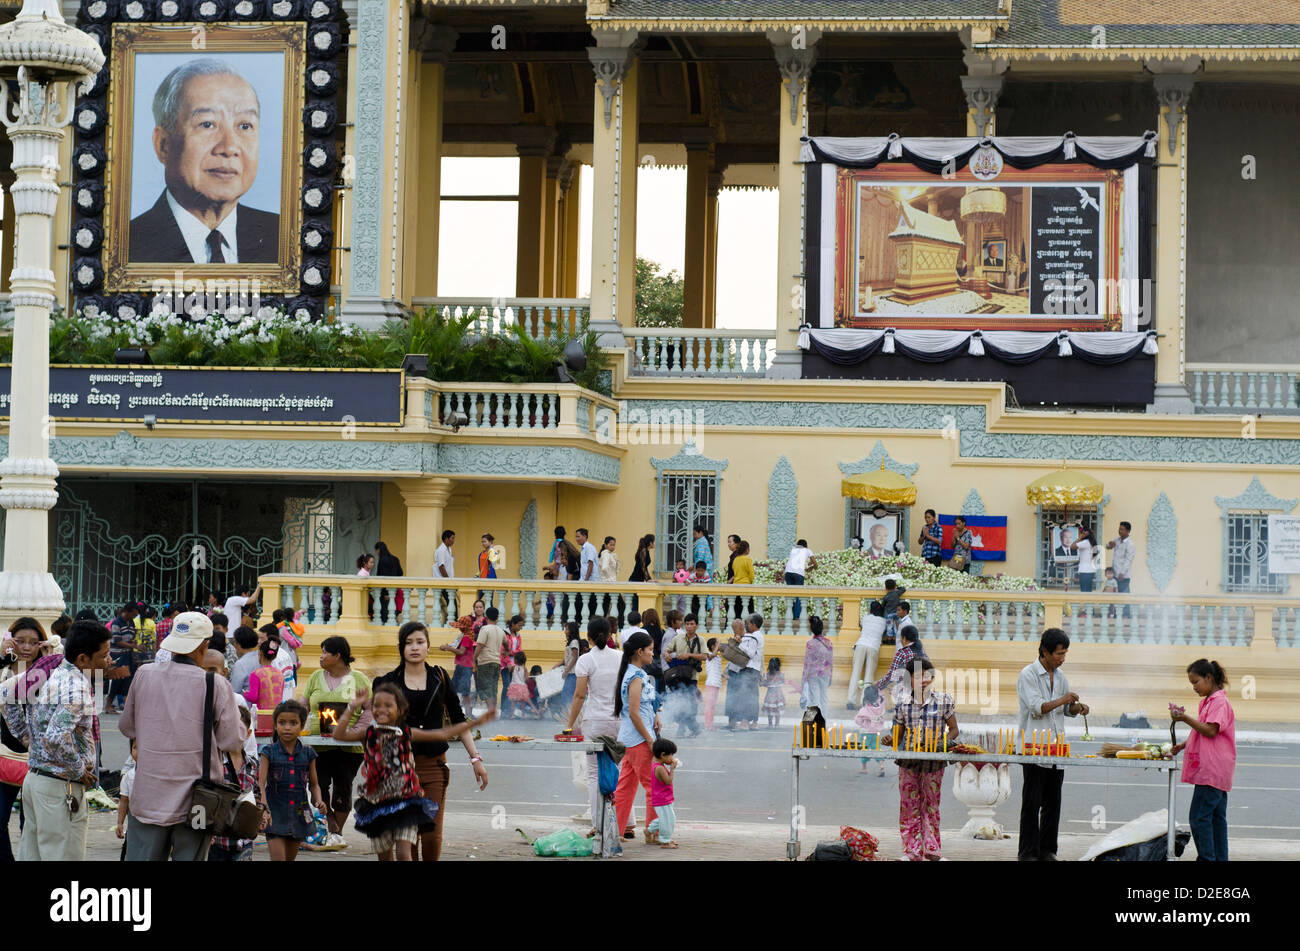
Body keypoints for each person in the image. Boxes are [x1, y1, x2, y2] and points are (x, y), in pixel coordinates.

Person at [119, 611, 244, 860]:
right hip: (198, 800)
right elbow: (232, 740)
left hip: (149, 795)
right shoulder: (216, 684)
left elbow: (127, 728)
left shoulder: (144, 674)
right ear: (204, 646)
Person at [130, 59, 279, 263]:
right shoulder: (127, 248)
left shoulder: (283, 239)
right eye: (207, 124)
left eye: (245, 126)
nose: (229, 148)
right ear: (163, 144)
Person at [333, 682, 494, 861]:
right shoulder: (368, 734)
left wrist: (476, 722)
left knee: (404, 854)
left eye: (388, 705)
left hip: (406, 802)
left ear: (400, 710)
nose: (381, 710)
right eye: (376, 705)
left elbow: (442, 734)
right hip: (376, 803)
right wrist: (352, 707)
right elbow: (339, 735)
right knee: (385, 856)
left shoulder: (406, 733)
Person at [374, 621, 490, 861]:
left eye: (420, 642)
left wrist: (476, 758)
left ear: (428, 646)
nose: (414, 648)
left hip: (434, 766)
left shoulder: (439, 677)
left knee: (431, 832)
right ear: (400, 648)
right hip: (399, 768)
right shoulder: (387, 682)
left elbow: (459, 721)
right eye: (408, 643)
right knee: (408, 833)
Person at [1, 620, 110, 861]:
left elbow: (5, 694)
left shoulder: (52, 671)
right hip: (60, 788)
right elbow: (56, 737)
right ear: (83, 659)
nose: (108, 660)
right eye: (103, 655)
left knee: (32, 855)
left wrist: (28, 739)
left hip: (37, 780)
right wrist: (79, 770)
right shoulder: (76, 687)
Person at [1016, 628, 1089, 861]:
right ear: (1045, 652)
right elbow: (1038, 707)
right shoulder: (1028, 674)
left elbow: (1067, 710)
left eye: (1065, 653)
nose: (1062, 658)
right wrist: (1065, 699)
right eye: (1059, 654)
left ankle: (1048, 850)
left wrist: (1078, 708)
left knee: (1052, 804)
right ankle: (1027, 853)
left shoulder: (1060, 676)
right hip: (1034, 748)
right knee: (1031, 803)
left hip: (1057, 748)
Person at [883, 656, 958, 860]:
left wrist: (943, 743)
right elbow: (898, 734)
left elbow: (954, 730)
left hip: (934, 763)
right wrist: (891, 739)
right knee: (909, 806)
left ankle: (932, 850)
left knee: (931, 805)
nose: (923, 679)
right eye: (917, 676)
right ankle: (912, 851)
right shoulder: (902, 704)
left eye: (926, 675)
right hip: (908, 762)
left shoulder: (944, 701)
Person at [0, 618, 60, 863]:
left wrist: (49, 660)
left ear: (41, 644)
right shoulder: (3, 669)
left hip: (37, 759)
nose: (26, 647)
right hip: (4, 755)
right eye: (21, 641)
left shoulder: (48, 672)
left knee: (32, 825)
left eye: (33, 642)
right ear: (10, 641)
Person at [300, 635, 370, 843]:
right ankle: (328, 820)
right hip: (317, 746)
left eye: (324, 653)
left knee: (343, 787)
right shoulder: (315, 677)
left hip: (349, 747)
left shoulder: (359, 679)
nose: (320, 657)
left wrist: (358, 730)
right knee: (317, 785)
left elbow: (369, 710)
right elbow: (303, 703)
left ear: (338, 655)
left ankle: (336, 835)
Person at [562, 617, 624, 838]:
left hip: (594, 721)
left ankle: (599, 824)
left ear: (588, 636)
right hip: (617, 720)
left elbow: (579, 695)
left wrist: (570, 725)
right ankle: (627, 822)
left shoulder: (586, 660)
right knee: (619, 770)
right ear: (610, 636)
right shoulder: (621, 657)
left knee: (593, 773)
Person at [1170, 659, 1236, 862]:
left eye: (1196, 682)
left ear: (1209, 677)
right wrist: (1183, 745)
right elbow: (1201, 730)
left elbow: (1210, 730)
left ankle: (1208, 858)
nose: (1194, 687)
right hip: (1215, 769)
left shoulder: (1219, 702)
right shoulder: (1210, 702)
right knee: (1216, 819)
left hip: (1212, 770)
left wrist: (1184, 718)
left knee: (1199, 818)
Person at [257, 700, 325, 862]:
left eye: (293, 723)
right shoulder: (268, 752)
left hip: (299, 814)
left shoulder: (309, 753)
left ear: (302, 726)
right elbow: (260, 783)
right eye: (282, 722)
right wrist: (264, 808)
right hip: (274, 813)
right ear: (275, 725)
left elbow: (314, 785)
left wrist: (319, 800)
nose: (287, 727)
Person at [612, 631, 661, 844]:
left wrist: (656, 715)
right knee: (654, 787)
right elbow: (633, 712)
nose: (653, 653)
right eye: (650, 650)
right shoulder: (635, 676)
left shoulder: (634, 673)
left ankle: (616, 830)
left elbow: (641, 707)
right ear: (639, 652)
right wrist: (650, 740)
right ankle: (653, 831)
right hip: (639, 740)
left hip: (630, 739)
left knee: (625, 788)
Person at [207, 706, 261, 861]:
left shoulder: (252, 765)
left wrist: (261, 814)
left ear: (248, 734)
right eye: (228, 729)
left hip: (243, 841)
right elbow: (207, 799)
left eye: (239, 730)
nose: (233, 735)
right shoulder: (214, 764)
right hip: (216, 841)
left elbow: (256, 794)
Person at [662, 612, 707, 736]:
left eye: (692, 624)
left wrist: (689, 655)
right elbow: (667, 650)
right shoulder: (678, 638)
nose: (689, 626)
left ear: (697, 626)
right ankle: (686, 728)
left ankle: (692, 728)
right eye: (687, 624)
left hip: (692, 677)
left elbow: (704, 656)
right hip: (679, 675)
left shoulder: (700, 640)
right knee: (680, 702)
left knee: (690, 703)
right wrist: (666, 655)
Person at [725, 613, 764, 730]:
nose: (746, 626)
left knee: (748, 696)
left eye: (747, 623)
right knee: (743, 695)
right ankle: (740, 721)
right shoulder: (751, 635)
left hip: (750, 669)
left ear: (753, 624)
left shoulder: (755, 637)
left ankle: (746, 722)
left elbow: (750, 654)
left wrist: (741, 643)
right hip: (745, 669)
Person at [441, 609, 480, 712]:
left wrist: (448, 648)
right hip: (462, 666)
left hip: (465, 667)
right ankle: (456, 711)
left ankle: (467, 713)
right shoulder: (463, 636)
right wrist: (448, 646)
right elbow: (457, 647)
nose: (458, 629)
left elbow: (461, 652)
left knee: (464, 691)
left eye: (460, 627)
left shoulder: (466, 637)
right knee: (454, 689)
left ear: (464, 627)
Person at [849, 601, 886, 709]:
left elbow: (862, 625)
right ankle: (864, 702)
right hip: (873, 647)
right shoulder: (883, 622)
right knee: (869, 676)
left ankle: (851, 700)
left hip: (860, 645)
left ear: (870, 610)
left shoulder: (865, 618)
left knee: (856, 673)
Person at [646, 738, 679, 849]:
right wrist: (672, 769)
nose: (672, 758)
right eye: (671, 755)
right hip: (662, 799)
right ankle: (665, 841)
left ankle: (649, 830)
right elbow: (668, 781)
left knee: (665, 818)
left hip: (665, 798)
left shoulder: (656, 764)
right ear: (663, 755)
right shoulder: (660, 768)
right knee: (667, 820)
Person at [875, 623, 924, 697]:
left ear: (904, 639)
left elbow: (891, 675)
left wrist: (878, 685)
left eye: (900, 637)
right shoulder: (922, 652)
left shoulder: (902, 653)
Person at [474, 607, 506, 712]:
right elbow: (507, 644)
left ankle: (491, 712)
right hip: (497, 662)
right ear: (497, 617)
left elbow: (480, 646)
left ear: (486, 617)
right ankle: (492, 711)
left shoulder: (485, 629)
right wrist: (506, 652)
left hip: (485, 662)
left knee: (485, 687)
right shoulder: (501, 631)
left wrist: (473, 658)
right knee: (493, 688)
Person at [243, 633, 286, 708]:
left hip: (262, 714)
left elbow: (253, 697)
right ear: (275, 656)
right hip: (276, 713)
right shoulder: (280, 674)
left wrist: (246, 694)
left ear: (260, 653)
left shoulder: (256, 674)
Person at [801, 616, 834, 713]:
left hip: (813, 675)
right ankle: (824, 720)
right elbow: (831, 661)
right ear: (822, 628)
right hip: (825, 674)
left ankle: (814, 722)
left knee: (813, 699)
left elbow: (807, 663)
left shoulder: (810, 643)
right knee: (824, 698)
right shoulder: (829, 643)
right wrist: (831, 676)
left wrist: (804, 679)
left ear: (811, 629)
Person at [854, 684, 888, 777]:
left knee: (864, 749)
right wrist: (878, 687)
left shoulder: (865, 709)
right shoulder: (880, 705)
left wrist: (863, 724)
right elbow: (882, 695)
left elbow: (858, 720)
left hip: (866, 733)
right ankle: (881, 766)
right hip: (877, 733)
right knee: (877, 749)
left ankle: (864, 768)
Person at [114, 740, 137, 855]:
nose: (138, 752)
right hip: (134, 825)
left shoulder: (158, 775)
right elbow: (124, 802)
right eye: (135, 748)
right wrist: (120, 823)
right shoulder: (129, 776)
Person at [499, 615, 524, 717]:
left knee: (513, 687)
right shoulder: (504, 634)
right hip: (505, 665)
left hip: (514, 664)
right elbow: (503, 651)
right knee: (506, 686)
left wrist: (516, 660)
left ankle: (510, 710)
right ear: (513, 624)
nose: (520, 628)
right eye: (519, 625)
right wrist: (508, 662)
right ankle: (503, 709)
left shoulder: (518, 636)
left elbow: (519, 650)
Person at [1107, 521, 1135, 610]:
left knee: (1124, 596)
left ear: (1128, 531)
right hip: (1114, 573)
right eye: (1119, 529)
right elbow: (1108, 546)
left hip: (1123, 575)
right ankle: (1114, 614)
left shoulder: (1130, 544)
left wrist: (1122, 572)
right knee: (1114, 595)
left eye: (1122, 529)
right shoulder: (1117, 540)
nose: (1120, 531)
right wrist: (1109, 544)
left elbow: (1128, 560)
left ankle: (1126, 615)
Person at [374, 540, 405, 623]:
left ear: (378, 550)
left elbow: (380, 577)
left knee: (385, 612)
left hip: (385, 591)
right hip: (395, 589)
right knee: (393, 610)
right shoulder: (395, 559)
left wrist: (385, 593)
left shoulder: (382, 561)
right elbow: (400, 573)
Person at [785, 538, 813, 620]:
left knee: (790, 595)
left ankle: (790, 615)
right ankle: (796, 616)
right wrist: (812, 567)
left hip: (788, 573)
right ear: (806, 545)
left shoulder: (793, 550)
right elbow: (814, 562)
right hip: (798, 574)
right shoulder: (807, 550)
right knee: (798, 595)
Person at [558, 621, 581, 715]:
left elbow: (575, 657)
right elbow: (568, 658)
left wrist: (567, 670)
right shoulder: (570, 642)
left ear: (571, 630)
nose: (565, 631)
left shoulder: (574, 642)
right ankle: (568, 714)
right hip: (569, 672)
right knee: (566, 694)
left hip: (572, 673)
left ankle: (569, 714)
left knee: (568, 694)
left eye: (567, 629)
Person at [228, 625, 260, 695]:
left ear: (238, 644)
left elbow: (235, 689)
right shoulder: (261, 657)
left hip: (246, 702)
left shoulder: (241, 664)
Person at [598, 536, 622, 620]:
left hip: (607, 583)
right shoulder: (606, 555)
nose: (613, 547)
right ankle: (620, 622)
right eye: (611, 545)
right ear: (605, 545)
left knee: (605, 604)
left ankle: (601, 621)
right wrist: (610, 578)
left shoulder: (610, 555)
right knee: (620, 605)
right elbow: (604, 568)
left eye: (614, 545)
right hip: (609, 583)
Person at [1071, 527, 1101, 593]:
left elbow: (1072, 547)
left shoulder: (1085, 542)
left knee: (1084, 592)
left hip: (1085, 571)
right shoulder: (1092, 542)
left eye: (1082, 533)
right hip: (1090, 571)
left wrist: (1079, 538)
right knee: (1088, 592)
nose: (1081, 534)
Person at [702, 638, 723, 731]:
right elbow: (712, 655)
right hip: (711, 683)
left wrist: (724, 675)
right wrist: (718, 645)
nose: (720, 646)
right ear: (713, 646)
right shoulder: (709, 655)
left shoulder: (717, 657)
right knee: (709, 706)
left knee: (713, 706)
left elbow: (716, 670)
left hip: (716, 684)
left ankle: (711, 724)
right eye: (718, 644)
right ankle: (708, 725)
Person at [731, 539, 754, 619]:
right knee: (748, 609)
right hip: (746, 586)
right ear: (747, 549)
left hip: (736, 586)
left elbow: (734, 571)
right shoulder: (747, 559)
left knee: (737, 609)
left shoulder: (736, 559)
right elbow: (751, 574)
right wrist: (751, 582)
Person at [762, 657, 788, 728]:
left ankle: (770, 724)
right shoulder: (781, 674)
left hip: (770, 695)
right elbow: (783, 682)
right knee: (777, 710)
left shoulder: (767, 675)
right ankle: (777, 724)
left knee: (770, 710)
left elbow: (763, 684)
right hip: (778, 694)